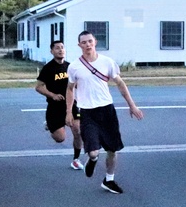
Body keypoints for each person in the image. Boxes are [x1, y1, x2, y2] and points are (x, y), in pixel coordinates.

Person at [65, 30, 143, 194]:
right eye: (84, 42)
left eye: (90, 41)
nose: (87, 45)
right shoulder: (74, 67)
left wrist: (132, 105)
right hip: (87, 112)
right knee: (93, 151)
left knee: (112, 149)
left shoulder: (107, 62)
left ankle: (109, 180)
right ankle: (92, 159)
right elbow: (70, 89)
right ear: (79, 45)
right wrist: (68, 112)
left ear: (95, 42)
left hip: (107, 110)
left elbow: (120, 84)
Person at [35, 40, 84, 169]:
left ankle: (76, 159)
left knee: (78, 131)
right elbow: (39, 87)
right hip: (55, 107)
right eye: (57, 48)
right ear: (52, 51)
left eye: (62, 47)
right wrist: (52, 95)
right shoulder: (48, 68)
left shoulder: (70, 67)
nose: (61, 50)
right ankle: (50, 125)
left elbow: (77, 83)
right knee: (60, 138)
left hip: (71, 104)